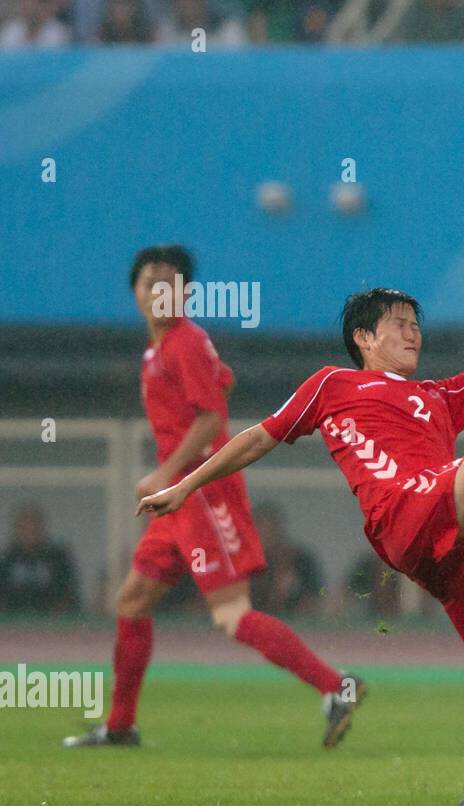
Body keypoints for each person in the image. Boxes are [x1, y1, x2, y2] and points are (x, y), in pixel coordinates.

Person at [139, 221, 464, 806]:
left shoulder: (439, 398)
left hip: (452, 531)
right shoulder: (333, 384)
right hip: (402, 516)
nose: (412, 330)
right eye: (398, 322)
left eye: (415, 322)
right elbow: (257, 438)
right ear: (363, 338)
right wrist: (183, 485)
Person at [65, 245, 358, 751]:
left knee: (230, 615)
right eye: (149, 281)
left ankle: (337, 687)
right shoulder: (164, 350)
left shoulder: (184, 342)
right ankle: (120, 727)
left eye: (169, 282)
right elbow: (219, 384)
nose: (158, 290)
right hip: (179, 499)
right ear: (134, 291)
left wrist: (166, 476)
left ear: (186, 293)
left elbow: (208, 418)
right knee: (132, 601)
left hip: (200, 492)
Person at [0, 504, 80, 614]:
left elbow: (70, 591)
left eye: (34, 525)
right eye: (24, 526)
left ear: (42, 527)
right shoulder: (6, 559)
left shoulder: (58, 557)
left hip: (51, 623)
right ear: (16, 529)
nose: (29, 530)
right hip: (13, 623)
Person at [250, 504, 324, 616]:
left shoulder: (302, 560)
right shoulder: (246, 565)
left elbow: (317, 600)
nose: (267, 535)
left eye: (271, 529)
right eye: (260, 528)